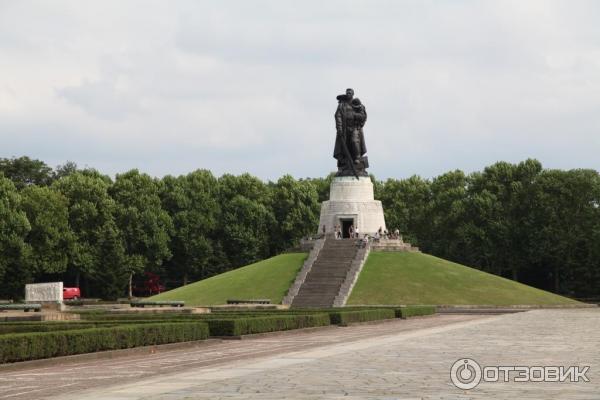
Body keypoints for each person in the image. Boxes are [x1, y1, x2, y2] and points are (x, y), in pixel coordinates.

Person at [333, 88, 368, 175]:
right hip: (344, 129)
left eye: (350, 92)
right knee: (344, 147)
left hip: (355, 128)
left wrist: (355, 115)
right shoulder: (342, 105)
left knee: (354, 141)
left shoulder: (357, 104)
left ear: (353, 94)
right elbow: (338, 116)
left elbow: (363, 116)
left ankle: (357, 159)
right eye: (347, 92)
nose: (348, 93)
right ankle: (343, 166)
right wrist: (339, 128)